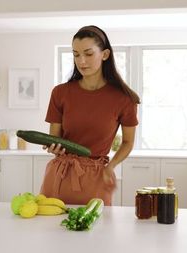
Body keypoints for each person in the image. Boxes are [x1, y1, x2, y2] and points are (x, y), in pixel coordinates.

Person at [40, 25, 140, 206]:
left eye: (88, 53)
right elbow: (54, 137)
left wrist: (111, 166)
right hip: (59, 175)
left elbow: (128, 142)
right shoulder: (60, 93)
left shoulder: (124, 99)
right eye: (76, 54)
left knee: (97, 230)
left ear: (105, 54)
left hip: (97, 178)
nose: (81, 61)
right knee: (50, 231)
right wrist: (53, 147)